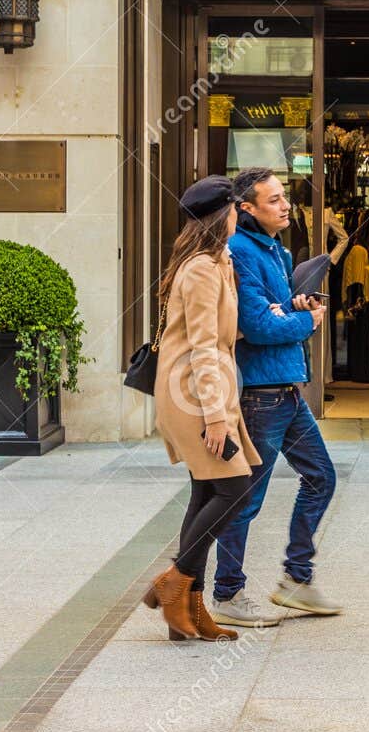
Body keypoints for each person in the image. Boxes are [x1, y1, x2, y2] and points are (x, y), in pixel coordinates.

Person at [209, 166, 342, 628]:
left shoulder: (275, 250)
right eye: (273, 200)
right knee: (245, 498)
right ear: (246, 208)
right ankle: (226, 593)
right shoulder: (241, 252)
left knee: (321, 477)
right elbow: (258, 328)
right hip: (262, 394)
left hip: (287, 388)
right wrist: (306, 322)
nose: (285, 206)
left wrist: (293, 306)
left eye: (284, 197)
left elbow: (274, 311)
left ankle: (296, 580)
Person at [145, 175, 260, 642]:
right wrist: (216, 416)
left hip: (205, 391)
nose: (240, 214)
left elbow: (222, 336)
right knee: (235, 485)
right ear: (223, 215)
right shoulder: (200, 270)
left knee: (207, 489)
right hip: (192, 395)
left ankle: (188, 613)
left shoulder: (216, 263)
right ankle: (175, 582)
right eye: (235, 208)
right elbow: (203, 348)